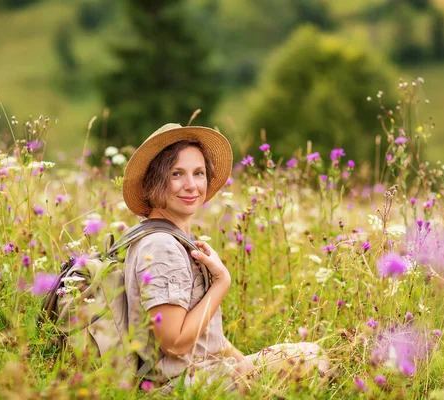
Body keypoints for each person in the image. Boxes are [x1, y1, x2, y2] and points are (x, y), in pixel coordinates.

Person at [122, 123, 329, 392]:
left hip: (205, 375)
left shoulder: (170, 239)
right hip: (181, 388)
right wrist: (222, 282)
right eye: (176, 174)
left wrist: (249, 369)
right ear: (154, 182)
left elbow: (209, 339)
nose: (191, 185)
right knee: (312, 362)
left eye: (198, 173)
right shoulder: (161, 247)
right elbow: (174, 343)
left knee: (310, 355)